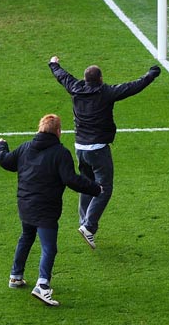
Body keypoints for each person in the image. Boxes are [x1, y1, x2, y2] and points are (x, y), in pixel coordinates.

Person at [48, 56, 160, 249]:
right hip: (98, 149)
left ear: (85, 79)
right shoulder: (105, 92)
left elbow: (62, 76)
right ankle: (89, 226)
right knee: (104, 188)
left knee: (86, 184)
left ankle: (84, 223)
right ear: (100, 79)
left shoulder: (75, 87)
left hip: (80, 147)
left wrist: (53, 64)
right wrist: (151, 74)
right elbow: (132, 87)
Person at [0, 114, 102, 306]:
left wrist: (1, 145)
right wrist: (96, 188)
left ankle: (15, 275)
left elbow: (4, 160)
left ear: (40, 128)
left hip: (25, 206)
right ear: (59, 132)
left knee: (26, 236)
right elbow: (71, 180)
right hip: (46, 209)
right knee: (49, 247)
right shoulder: (60, 153)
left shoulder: (25, 148)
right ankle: (42, 285)